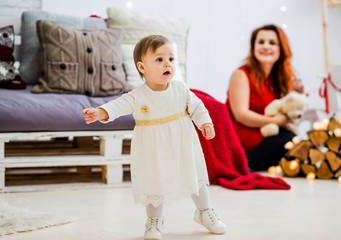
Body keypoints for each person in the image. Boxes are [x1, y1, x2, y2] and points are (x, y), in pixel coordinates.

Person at [82, 35, 226, 240]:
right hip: (152, 150)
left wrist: (206, 123)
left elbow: (198, 107)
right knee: (153, 183)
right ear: (142, 67)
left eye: (171, 59)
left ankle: (205, 211)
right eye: (159, 59)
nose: (167, 63)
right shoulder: (137, 95)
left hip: (183, 146)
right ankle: (154, 221)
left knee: (194, 178)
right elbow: (117, 106)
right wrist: (100, 112)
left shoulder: (181, 89)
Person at [226, 24, 304, 172]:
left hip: (265, 134)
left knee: (293, 142)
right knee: (287, 139)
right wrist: (275, 121)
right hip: (241, 134)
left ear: (281, 48)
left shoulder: (278, 79)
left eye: (272, 43)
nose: (265, 46)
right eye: (261, 42)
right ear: (253, 47)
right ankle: (242, 165)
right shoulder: (241, 75)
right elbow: (241, 115)